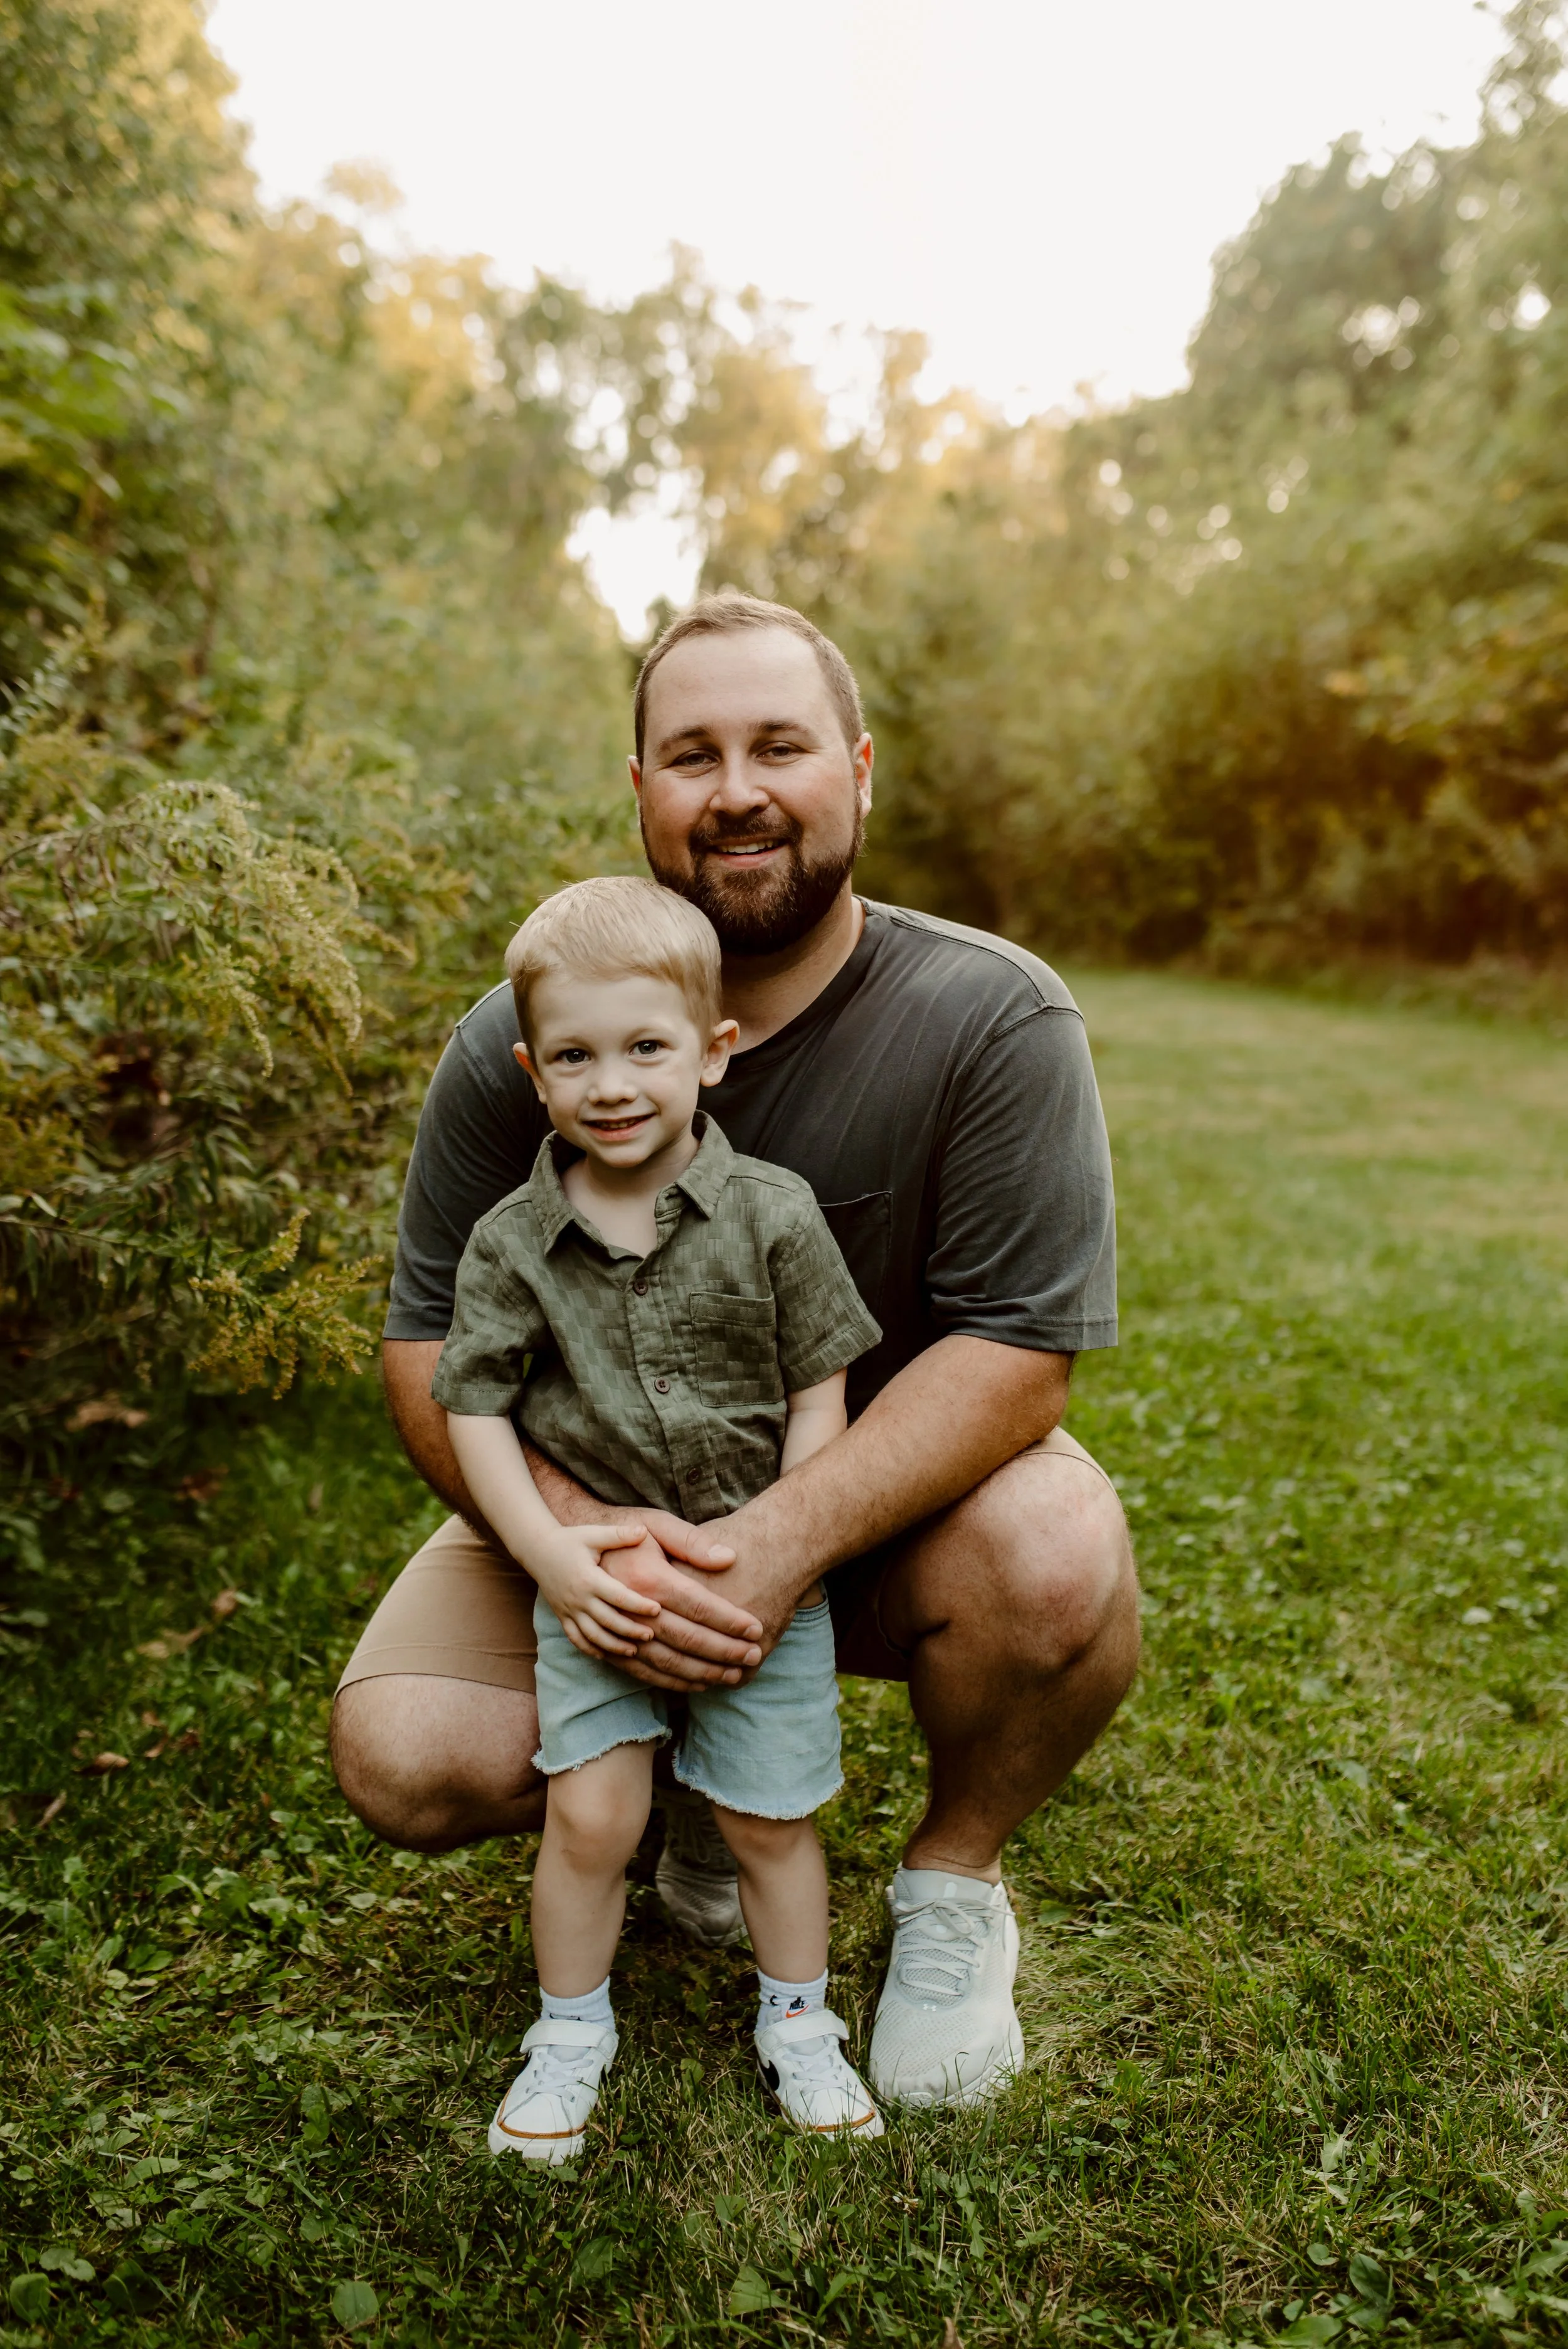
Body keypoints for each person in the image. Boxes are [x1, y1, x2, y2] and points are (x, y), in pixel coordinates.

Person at [332, 591, 1140, 2113]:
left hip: (876, 1512)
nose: (737, 791)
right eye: (690, 755)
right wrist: (586, 1556)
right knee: (405, 1751)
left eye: (778, 745)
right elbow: (426, 1345)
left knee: (1050, 1547)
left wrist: (768, 1551)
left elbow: (1018, 1356)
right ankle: (687, 1795)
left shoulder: (989, 1017)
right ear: (639, 791)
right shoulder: (521, 1043)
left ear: (857, 767)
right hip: (599, 1519)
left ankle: (950, 1892)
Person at [435, 876, 885, 2156]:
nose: (613, 1083)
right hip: (596, 1580)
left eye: (646, 1048)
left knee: (767, 1819)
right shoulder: (513, 1243)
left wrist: (780, 1552)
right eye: (574, 1055)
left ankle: (799, 2023)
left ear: (711, 1053)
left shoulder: (772, 1216)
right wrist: (553, 1563)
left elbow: (818, 1392)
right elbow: (475, 1408)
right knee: (591, 1816)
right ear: (532, 1072)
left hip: (759, 1574)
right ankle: (569, 2029)